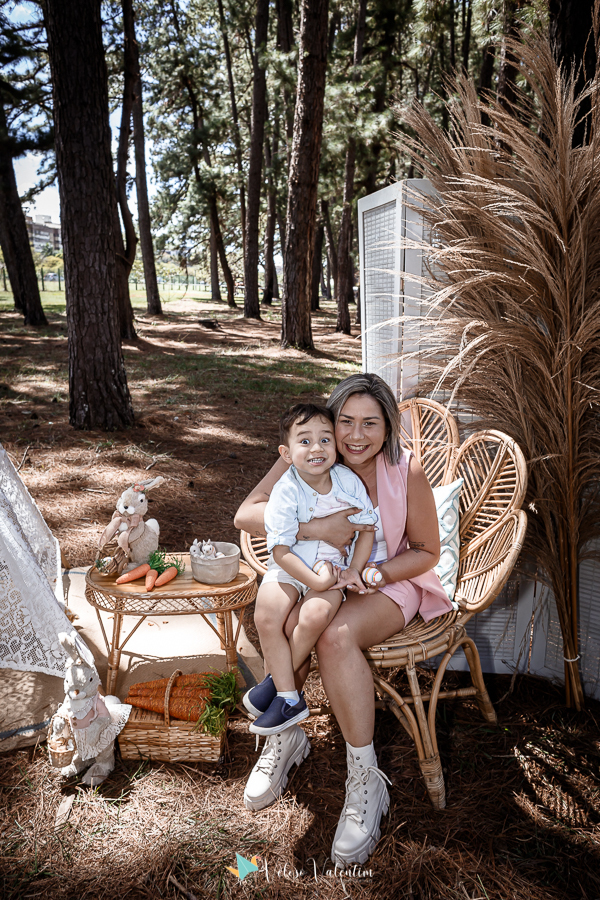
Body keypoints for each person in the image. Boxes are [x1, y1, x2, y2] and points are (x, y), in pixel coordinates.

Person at [234, 373, 453, 867]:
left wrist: (372, 572)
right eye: (346, 422)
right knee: (291, 618)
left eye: (370, 424)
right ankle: (286, 736)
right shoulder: (309, 452)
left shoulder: (405, 471)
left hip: (389, 579)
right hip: (322, 569)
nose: (356, 436)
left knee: (332, 635)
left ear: (388, 426)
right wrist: (319, 528)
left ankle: (365, 779)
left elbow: (426, 552)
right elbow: (247, 513)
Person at [243, 402, 377, 739]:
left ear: (335, 445)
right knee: (266, 616)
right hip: (289, 567)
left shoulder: (347, 482)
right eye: (304, 441)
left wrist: (354, 571)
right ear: (286, 454)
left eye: (325, 439)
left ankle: (276, 684)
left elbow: (366, 530)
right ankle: (289, 697)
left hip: (331, 569)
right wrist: (313, 580)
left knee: (315, 615)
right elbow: (281, 551)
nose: (316, 448)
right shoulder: (285, 491)